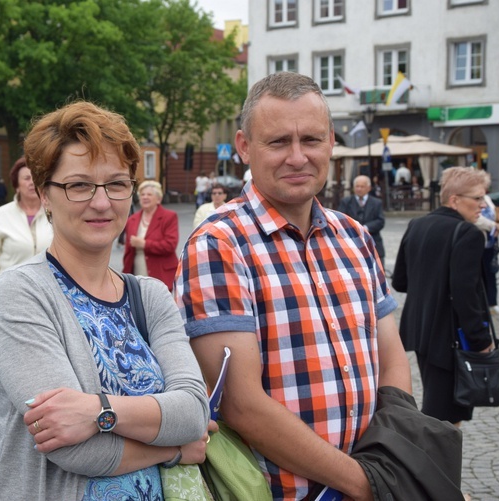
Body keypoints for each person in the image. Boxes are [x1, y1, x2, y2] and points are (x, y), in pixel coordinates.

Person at [175, 72, 412, 501]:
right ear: (245, 147)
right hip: (285, 493)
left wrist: (395, 457)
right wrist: (366, 483)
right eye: (279, 142)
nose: (298, 157)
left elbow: (392, 359)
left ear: (332, 141)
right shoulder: (219, 245)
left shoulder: (355, 236)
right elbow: (241, 405)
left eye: (311, 140)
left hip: (376, 478)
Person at [0, 101, 210, 500]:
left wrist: (97, 412)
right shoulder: (18, 296)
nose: (102, 202)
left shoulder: (151, 295)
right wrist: (173, 449)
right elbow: (74, 449)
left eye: (117, 184)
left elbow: (193, 412)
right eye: (79, 185)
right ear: (45, 194)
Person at [392, 167, 495, 426]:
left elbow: (400, 281)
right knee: (445, 417)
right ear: (455, 199)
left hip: (421, 329)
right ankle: (434, 465)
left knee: (441, 408)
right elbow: (465, 294)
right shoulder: (468, 233)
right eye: (478, 198)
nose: (483, 205)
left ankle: (436, 463)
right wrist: (481, 340)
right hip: (450, 335)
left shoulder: (417, 224)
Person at [0, 157, 54, 291]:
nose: (32, 182)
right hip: (11, 294)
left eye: (35, 177)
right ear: (16, 185)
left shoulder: (56, 213)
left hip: (50, 294)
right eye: (26, 178)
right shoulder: (2, 215)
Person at [123, 180, 179, 290]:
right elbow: (128, 250)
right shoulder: (132, 220)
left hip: (161, 273)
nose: (145, 197)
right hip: (137, 272)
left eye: (149, 194)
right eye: (142, 194)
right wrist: (125, 274)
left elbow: (170, 245)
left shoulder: (169, 217)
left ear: (158, 199)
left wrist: (144, 244)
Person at [338, 174, 386, 268]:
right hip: (351, 242)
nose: (359, 189)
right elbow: (340, 220)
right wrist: (354, 228)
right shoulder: (346, 202)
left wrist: (366, 228)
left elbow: (380, 221)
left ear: (369, 188)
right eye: (357, 186)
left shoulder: (376, 203)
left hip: (373, 241)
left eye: (362, 186)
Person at [474, 176, 499, 316]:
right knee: (478, 274)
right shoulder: (473, 198)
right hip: (478, 241)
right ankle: (481, 304)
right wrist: (494, 226)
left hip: (491, 242)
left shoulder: (487, 199)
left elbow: (497, 214)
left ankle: (492, 303)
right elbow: (476, 219)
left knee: (490, 273)